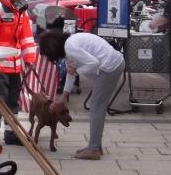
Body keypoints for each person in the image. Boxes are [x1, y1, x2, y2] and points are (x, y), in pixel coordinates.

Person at [42, 30, 125, 160]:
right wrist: (63, 96)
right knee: (98, 107)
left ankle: (93, 149)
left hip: (110, 67)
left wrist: (77, 71)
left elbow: (93, 64)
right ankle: (96, 146)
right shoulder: (68, 46)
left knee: (96, 108)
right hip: (111, 65)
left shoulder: (70, 47)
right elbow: (70, 72)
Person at [0, 0, 36, 149]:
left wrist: (30, 58)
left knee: (13, 103)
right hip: (1, 66)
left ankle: (10, 135)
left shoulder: (20, 9)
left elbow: (26, 35)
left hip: (16, 66)